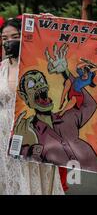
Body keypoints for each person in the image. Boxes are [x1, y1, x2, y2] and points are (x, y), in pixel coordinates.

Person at [0, 18, 64, 195]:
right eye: (4, 38)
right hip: (4, 135)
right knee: (12, 178)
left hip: (34, 133)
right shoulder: (1, 68)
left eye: (15, 36)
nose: (9, 41)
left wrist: (49, 23)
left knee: (34, 177)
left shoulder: (38, 65)